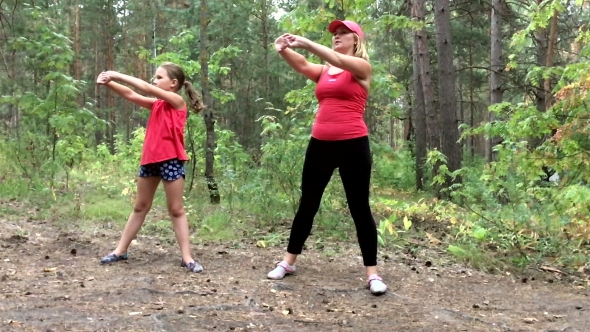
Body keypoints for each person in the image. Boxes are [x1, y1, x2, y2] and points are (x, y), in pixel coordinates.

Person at [267, 20, 387, 295]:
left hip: (354, 145)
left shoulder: (361, 69)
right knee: (307, 204)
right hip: (320, 144)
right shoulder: (325, 71)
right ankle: (288, 262)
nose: (337, 37)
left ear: (356, 40)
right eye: (334, 34)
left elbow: (336, 59)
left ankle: (373, 274)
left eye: (343, 33)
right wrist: (283, 49)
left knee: (359, 208)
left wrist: (307, 43)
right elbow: (302, 65)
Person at [96, 62, 205, 273]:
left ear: (173, 84)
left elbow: (144, 88)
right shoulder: (156, 105)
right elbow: (131, 95)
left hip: (171, 160)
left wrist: (116, 73)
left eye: (159, 77)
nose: (154, 81)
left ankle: (187, 258)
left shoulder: (177, 101)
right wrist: (109, 83)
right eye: (155, 78)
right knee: (140, 206)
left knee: (176, 209)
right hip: (150, 160)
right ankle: (120, 250)